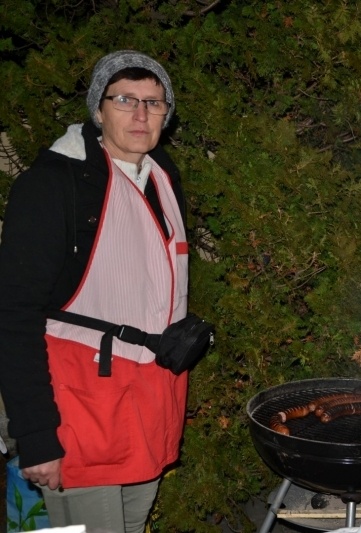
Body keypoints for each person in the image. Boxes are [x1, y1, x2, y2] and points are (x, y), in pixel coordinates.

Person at [0, 50, 189, 532]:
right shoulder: (53, 186)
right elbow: (15, 315)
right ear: (98, 109)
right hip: (78, 410)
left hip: (146, 405)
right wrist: (37, 434)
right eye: (125, 99)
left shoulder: (162, 178)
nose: (141, 114)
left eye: (154, 102)